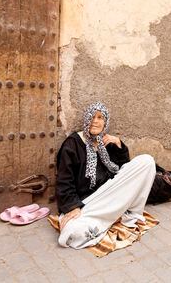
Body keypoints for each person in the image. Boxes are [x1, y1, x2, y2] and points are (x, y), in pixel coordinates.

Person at [55, 101, 156, 249]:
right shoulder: (72, 145)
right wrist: (73, 206)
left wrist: (119, 143)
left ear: (105, 122)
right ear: (86, 119)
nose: (95, 121)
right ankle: (115, 214)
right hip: (89, 202)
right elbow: (64, 181)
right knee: (72, 232)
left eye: (100, 117)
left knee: (147, 161)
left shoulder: (106, 142)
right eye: (92, 117)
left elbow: (124, 168)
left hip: (111, 192)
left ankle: (122, 212)